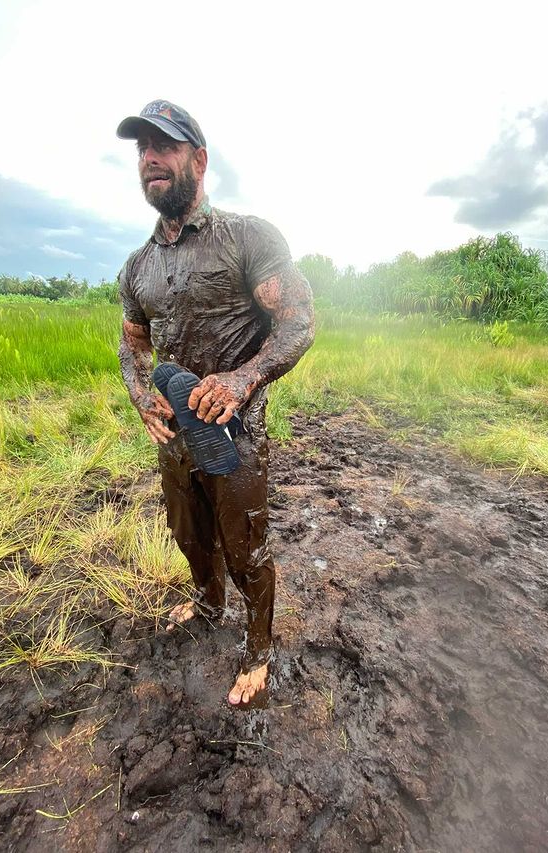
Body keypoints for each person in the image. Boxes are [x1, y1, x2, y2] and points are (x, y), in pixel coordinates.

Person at [115, 99, 315, 706]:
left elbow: (299, 321)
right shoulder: (138, 268)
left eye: (164, 146)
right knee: (190, 536)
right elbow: (132, 343)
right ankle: (206, 604)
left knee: (246, 548)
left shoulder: (248, 238)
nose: (150, 158)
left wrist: (244, 378)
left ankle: (258, 649)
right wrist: (139, 395)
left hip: (236, 438)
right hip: (177, 440)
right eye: (141, 149)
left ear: (198, 160)